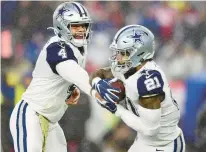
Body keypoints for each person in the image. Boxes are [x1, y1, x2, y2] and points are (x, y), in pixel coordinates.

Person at [9, 2, 117, 152]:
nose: (81, 30)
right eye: (75, 26)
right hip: (32, 115)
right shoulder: (56, 45)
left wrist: (71, 92)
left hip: (52, 120)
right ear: (62, 26)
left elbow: (66, 80)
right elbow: (70, 69)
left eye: (84, 25)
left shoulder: (79, 50)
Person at [90, 25, 186, 152]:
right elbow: (99, 74)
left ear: (138, 53)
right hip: (145, 141)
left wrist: (116, 109)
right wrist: (98, 83)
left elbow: (150, 129)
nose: (117, 57)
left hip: (163, 144)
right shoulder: (128, 69)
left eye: (122, 53)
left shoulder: (148, 79)